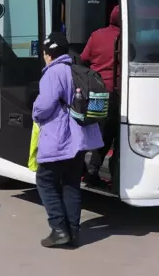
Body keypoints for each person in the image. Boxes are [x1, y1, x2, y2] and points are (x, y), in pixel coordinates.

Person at [33, 32, 104, 248]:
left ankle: (58, 228)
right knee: (71, 184)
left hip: (59, 138)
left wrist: (35, 113)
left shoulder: (52, 74)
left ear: (47, 54)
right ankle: (73, 233)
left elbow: (44, 106)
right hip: (80, 139)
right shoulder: (77, 71)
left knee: (45, 181)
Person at [80, 5, 121, 186]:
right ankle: (110, 173)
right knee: (111, 134)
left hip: (97, 94)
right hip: (116, 94)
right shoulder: (126, 37)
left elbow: (83, 57)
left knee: (94, 131)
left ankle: (87, 170)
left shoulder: (97, 35)